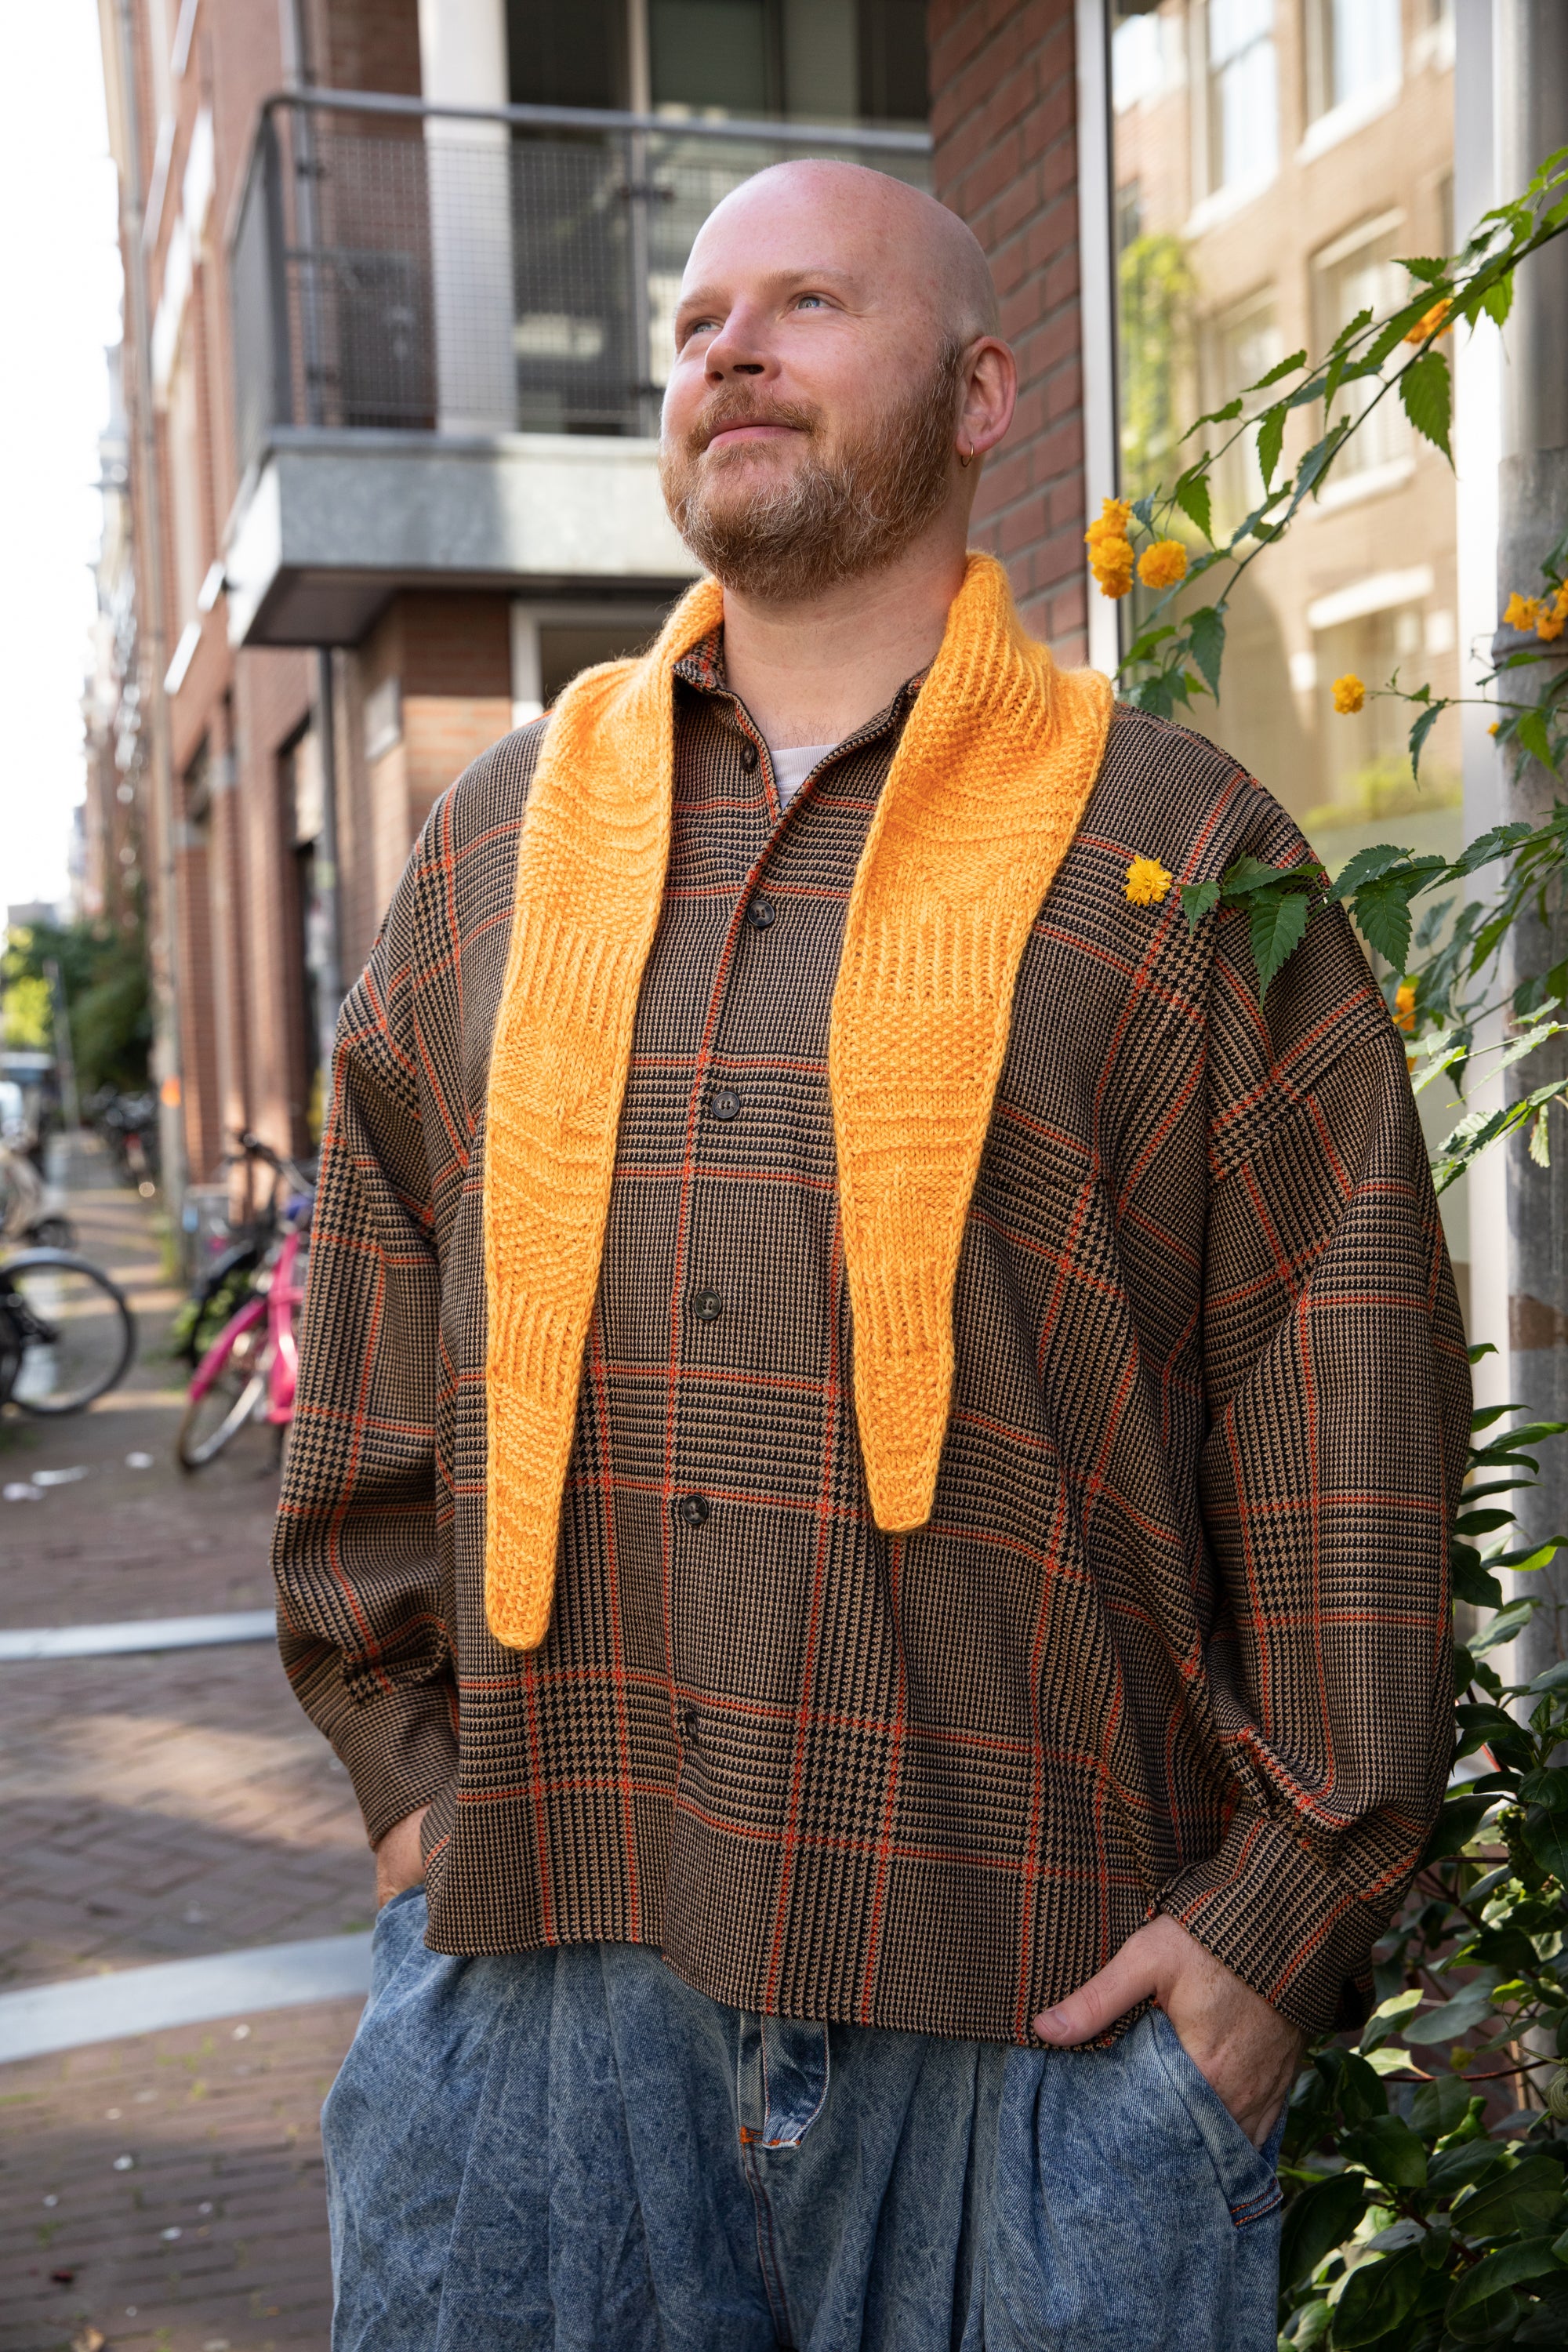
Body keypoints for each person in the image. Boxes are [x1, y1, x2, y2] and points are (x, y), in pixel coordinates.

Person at [273, 159, 1468, 2351]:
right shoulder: (496, 850)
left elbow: (1347, 1381)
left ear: (985, 391)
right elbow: (367, 1321)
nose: (729, 347)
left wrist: (1278, 1926)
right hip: (543, 1980)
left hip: (1035, 2012)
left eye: (809, 302)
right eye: (697, 321)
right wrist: (413, 1797)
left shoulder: (1173, 848)